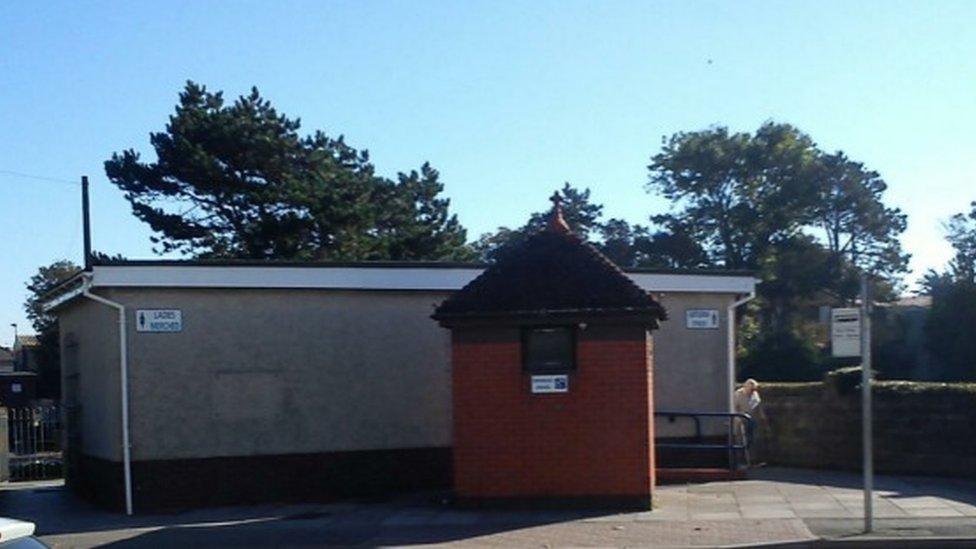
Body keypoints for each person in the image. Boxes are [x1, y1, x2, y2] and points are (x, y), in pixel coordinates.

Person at [733, 379, 764, 467]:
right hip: (741, 419)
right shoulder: (738, 394)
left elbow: (758, 406)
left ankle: (752, 460)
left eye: (754, 389)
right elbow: (735, 407)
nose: (752, 391)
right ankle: (740, 460)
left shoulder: (755, 394)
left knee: (752, 439)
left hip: (752, 419)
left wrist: (762, 417)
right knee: (740, 440)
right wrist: (738, 416)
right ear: (746, 387)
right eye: (751, 389)